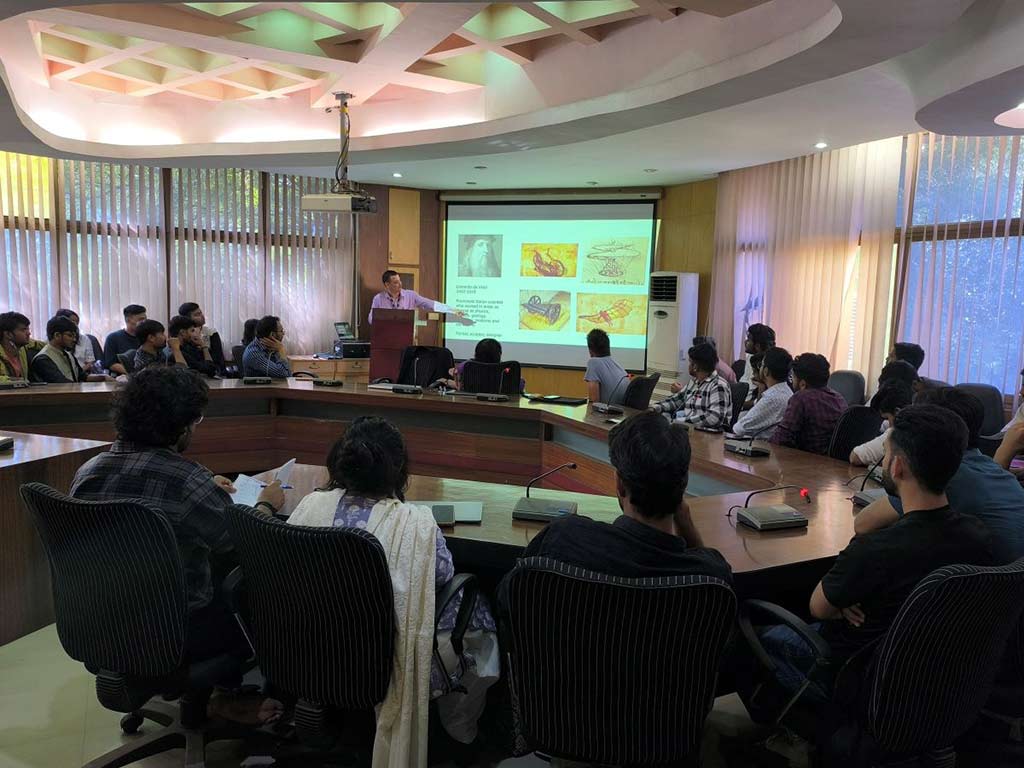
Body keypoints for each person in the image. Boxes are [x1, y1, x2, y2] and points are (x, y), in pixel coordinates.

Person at [70, 367, 285, 724]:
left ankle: (211, 695)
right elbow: (245, 542)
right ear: (180, 426)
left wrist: (205, 488)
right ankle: (230, 694)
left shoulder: (88, 472)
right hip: (176, 633)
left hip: (98, 623)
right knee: (257, 586)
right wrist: (266, 505)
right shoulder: (185, 480)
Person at [750, 405, 995, 707]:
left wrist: (845, 600)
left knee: (750, 639)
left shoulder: (875, 548)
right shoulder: (978, 537)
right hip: (929, 681)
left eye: (886, 454)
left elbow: (819, 607)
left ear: (897, 467)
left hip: (859, 679)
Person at [288, 417, 498, 750]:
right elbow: (442, 576)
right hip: (387, 662)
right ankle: (460, 729)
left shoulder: (310, 504)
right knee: (479, 613)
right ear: (398, 469)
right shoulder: (415, 524)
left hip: (309, 647)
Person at [522, 410, 732, 582]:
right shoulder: (711, 576)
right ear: (683, 485)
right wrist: (685, 523)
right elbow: (705, 566)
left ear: (620, 485)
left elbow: (513, 595)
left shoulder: (563, 538)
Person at [855, 387, 1024, 563]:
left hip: (980, 579)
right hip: (1004, 577)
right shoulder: (991, 468)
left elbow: (863, 524)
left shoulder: (945, 474)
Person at [770, 353, 845, 454]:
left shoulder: (801, 398)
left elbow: (781, 439)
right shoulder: (839, 398)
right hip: (832, 461)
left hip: (806, 459)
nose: (791, 382)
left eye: (793, 378)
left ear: (802, 384)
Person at [652, 342, 732, 430]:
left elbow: (714, 418)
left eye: (690, 362)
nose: (689, 365)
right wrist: (655, 408)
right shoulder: (694, 381)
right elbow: (676, 400)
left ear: (695, 366)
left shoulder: (718, 385)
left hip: (707, 433)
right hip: (689, 428)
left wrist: (681, 421)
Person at [731, 347, 793, 439]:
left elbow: (738, 429)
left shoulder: (772, 397)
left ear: (766, 371)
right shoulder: (787, 391)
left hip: (759, 445)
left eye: (761, 365)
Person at [848, 381, 913, 466]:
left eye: (886, 418)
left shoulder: (902, 431)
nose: (887, 424)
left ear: (897, 412)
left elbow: (855, 457)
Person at [29, 316, 110, 383]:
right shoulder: (43, 359)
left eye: (74, 336)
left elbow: (82, 376)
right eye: (70, 335)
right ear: (57, 335)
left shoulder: (68, 354)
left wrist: (104, 377)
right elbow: (63, 384)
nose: (74, 339)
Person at [368, 270, 465, 324]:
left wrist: (452, 310)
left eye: (400, 280)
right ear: (387, 284)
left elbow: (430, 304)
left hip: (405, 337)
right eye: (396, 282)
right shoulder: (378, 299)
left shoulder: (411, 295)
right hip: (385, 338)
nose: (400, 284)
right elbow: (371, 319)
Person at [583, 328, 630, 404]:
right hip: (623, 410)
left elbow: (594, 401)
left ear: (590, 350)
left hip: (609, 411)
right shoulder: (617, 366)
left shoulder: (593, 363)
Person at [178, 302, 227, 372]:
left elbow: (219, 359)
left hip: (214, 370)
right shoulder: (184, 336)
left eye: (201, 313)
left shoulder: (211, 332)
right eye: (197, 315)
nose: (202, 316)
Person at [103, 304, 147, 374]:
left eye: (145, 319)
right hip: (123, 376)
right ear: (128, 320)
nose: (144, 322)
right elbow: (111, 364)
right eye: (140, 319)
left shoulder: (148, 337)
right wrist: (133, 374)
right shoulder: (113, 338)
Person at [54, 308, 102, 373]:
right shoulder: (53, 344)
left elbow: (90, 362)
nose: (75, 326)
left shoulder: (84, 339)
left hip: (82, 373)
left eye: (77, 323)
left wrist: (78, 373)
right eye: (72, 322)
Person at [0, 311, 42, 381]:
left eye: (28, 329)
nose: (29, 333)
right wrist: (17, 381)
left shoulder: (23, 346)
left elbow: (42, 344)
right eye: (23, 330)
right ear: (8, 334)